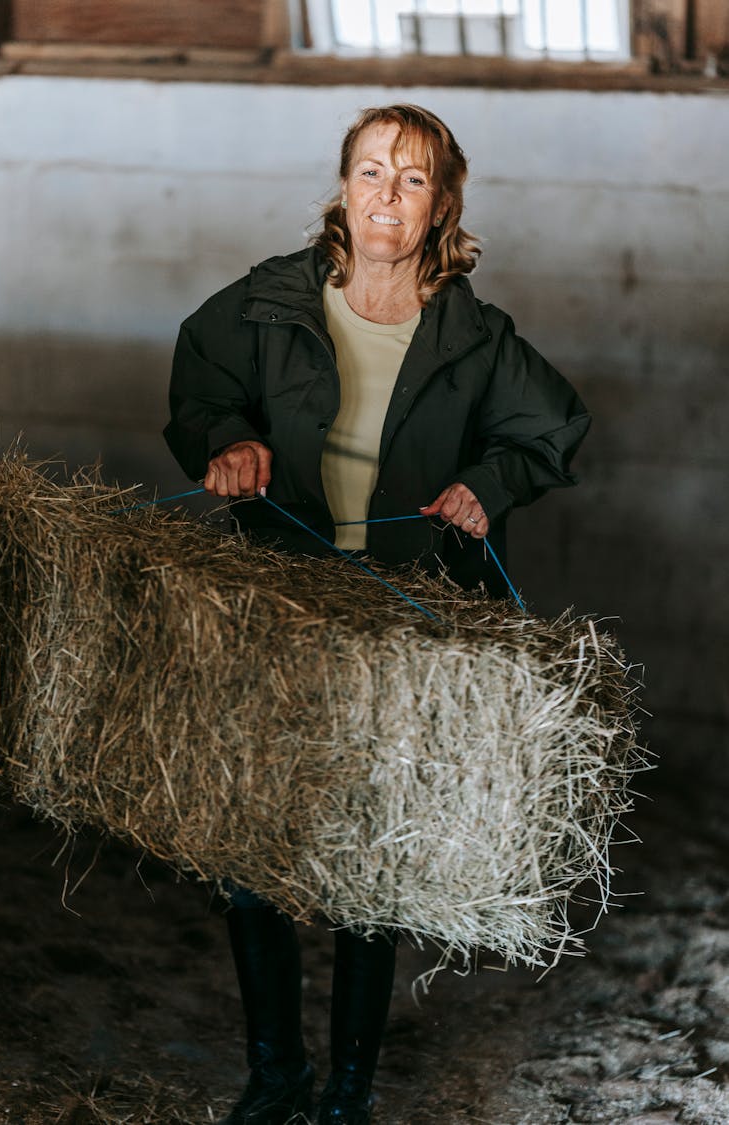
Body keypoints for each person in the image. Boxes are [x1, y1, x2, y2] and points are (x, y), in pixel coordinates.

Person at [165, 104, 590, 1125]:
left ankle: (347, 1092)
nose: (386, 195)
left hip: (405, 622)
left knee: (373, 858)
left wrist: (490, 481)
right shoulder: (271, 302)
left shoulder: (473, 336)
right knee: (251, 847)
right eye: (369, 172)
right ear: (342, 187)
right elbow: (199, 382)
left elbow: (553, 429)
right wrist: (228, 439)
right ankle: (277, 1077)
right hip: (281, 608)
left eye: (411, 179)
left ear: (443, 202)